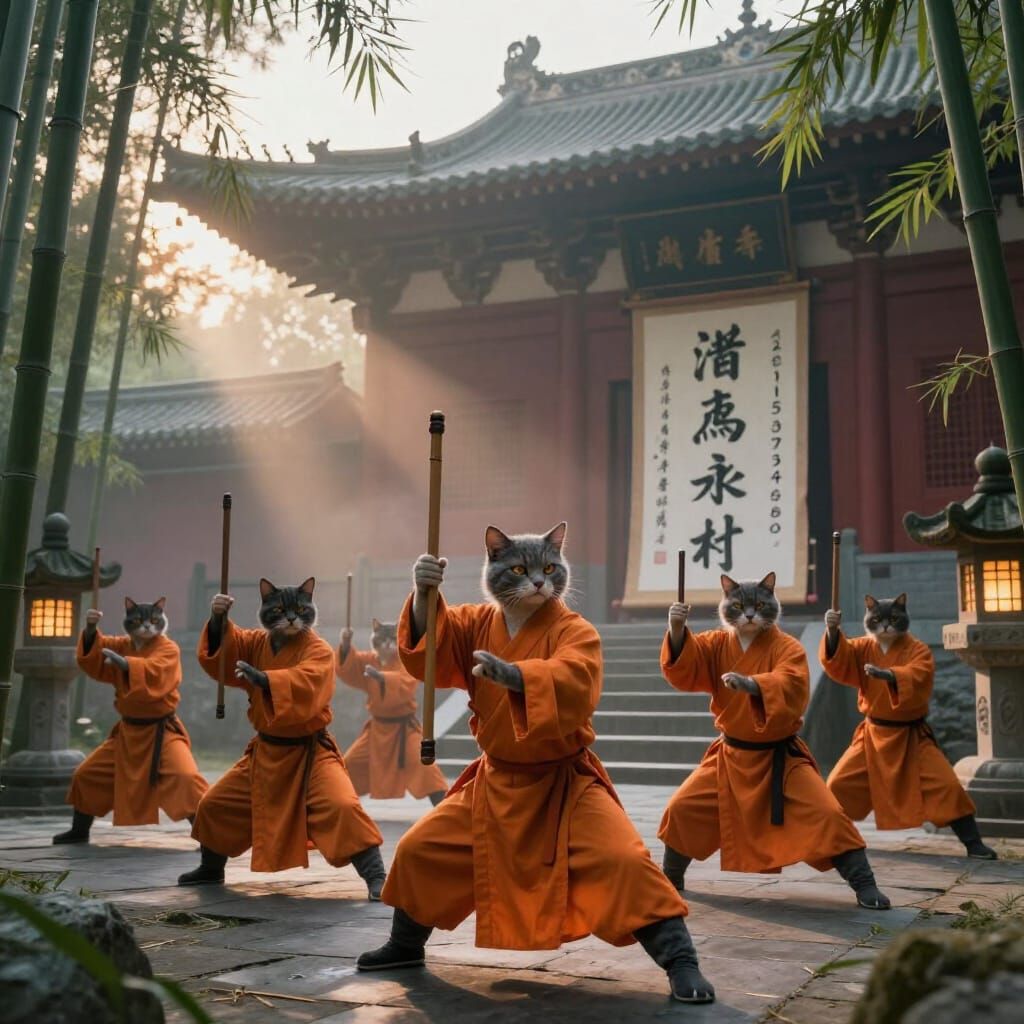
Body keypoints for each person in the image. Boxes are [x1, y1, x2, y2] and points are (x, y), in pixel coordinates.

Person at [357, 525, 714, 1004]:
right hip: (496, 780)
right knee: (424, 847)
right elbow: (430, 650)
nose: (539, 583)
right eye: (522, 572)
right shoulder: (474, 622)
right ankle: (404, 945)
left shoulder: (574, 630)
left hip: (563, 783)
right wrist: (423, 596)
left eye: (550, 571)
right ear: (494, 565)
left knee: (622, 860)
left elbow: (578, 679)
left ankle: (681, 961)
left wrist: (517, 676)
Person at [659, 573, 890, 910]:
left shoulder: (787, 647)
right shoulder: (715, 644)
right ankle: (670, 877)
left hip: (780, 759)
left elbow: (792, 682)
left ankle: (864, 884)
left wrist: (755, 686)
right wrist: (677, 630)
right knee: (683, 808)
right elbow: (686, 667)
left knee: (827, 814)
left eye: (759, 607)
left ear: (772, 606)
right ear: (725, 607)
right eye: (739, 607)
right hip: (731, 756)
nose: (750, 614)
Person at [177, 578, 387, 896]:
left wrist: (265, 680)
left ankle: (376, 876)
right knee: (215, 804)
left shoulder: (317, 649)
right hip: (266, 751)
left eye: (300, 611)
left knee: (341, 806)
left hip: (310, 752)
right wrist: (219, 620)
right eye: (280, 611)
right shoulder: (256, 642)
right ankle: (211, 869)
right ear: (265, 610)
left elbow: (311, 681)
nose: (291, 618)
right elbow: (226, 650)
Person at [821, 594, 996, 859]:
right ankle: (832, 838)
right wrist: (832, 631)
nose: (886, 627)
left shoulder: (917, 649)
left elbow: (919, 674)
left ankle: (973, 843)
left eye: (893, 621)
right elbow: (839, 659)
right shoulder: (862, 647)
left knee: (946, 785)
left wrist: (890, 675)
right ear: (869, 620)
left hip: (911, 736)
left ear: (904, 618)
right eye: (878, 621)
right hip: (872, 735)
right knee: (838, 784)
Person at [54, 598, 208, 844]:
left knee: (185, 777)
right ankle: (79, 831)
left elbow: (156, 670)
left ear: (161, 622)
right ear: (129, 622)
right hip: (128, 731)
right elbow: (94, 655)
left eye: (154, 622)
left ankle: (208, 838)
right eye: (139, 622)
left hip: (162, 730)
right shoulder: (122, 644)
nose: (147, 627)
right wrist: (92, 629)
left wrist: (126, 665)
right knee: (88, 774)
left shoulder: (168, 648)